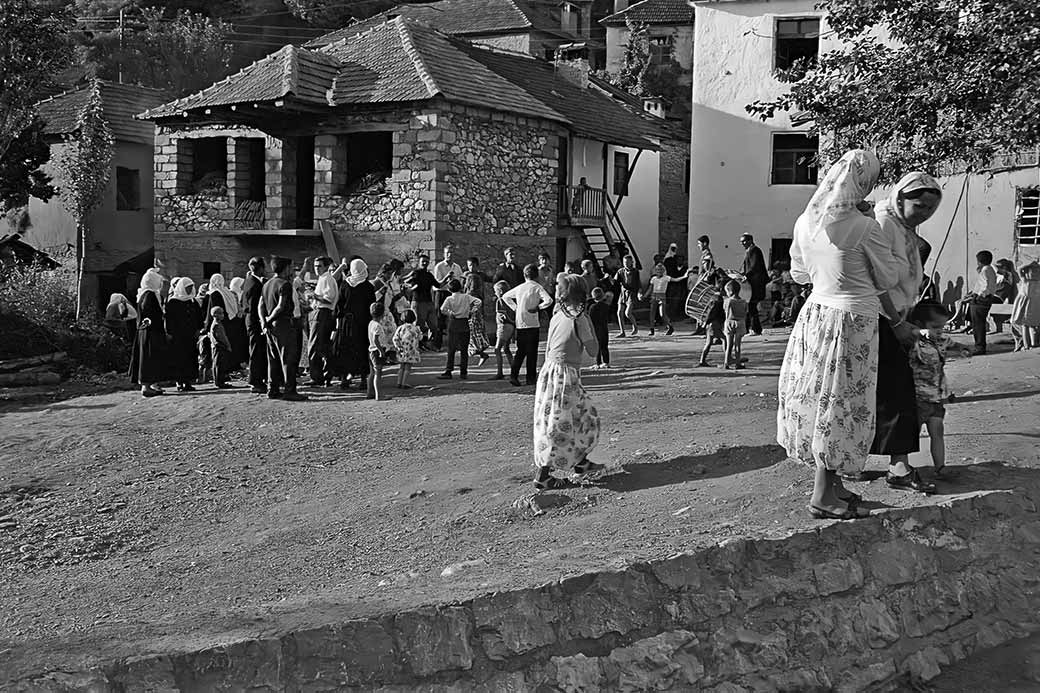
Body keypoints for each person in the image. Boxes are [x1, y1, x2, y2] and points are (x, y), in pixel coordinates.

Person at [776, 149, 903, 520]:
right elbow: (888, 278)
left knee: (818, 397)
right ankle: (821, 495)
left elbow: (799, 273)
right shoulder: (865, 227)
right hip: (852, 321)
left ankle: (833, 484)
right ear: (862, 184)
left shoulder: (805, 222)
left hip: (816, 315)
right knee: (842, 401)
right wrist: (873, 226)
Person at [869, 171, 944, 494]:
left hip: (897, 316)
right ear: (899, 197)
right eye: (920, 205)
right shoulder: (884, 224)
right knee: (896, 391)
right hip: (879, 318)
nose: (925, 212)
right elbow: (875, 278)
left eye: (931, 207)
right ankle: (898, 465)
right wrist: (896, 323)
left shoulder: (903, 227)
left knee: (887, 390)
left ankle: (881, 460)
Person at [532, 273, 602, 491]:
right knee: (565, 423)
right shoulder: (578, 318)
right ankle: (543, 476)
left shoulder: (557, 314)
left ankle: (580, 462)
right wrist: (591, 324)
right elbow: (593, 350)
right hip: (565, 375)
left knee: (574, 417)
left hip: (549, 372)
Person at [908, 301, 960, 480]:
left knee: (937, 433)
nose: (940, 330)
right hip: (917, 399)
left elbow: (950, 350)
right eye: (935, 326)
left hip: (936, 399)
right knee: (910, 435)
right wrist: (922, 332)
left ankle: (940, 467)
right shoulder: (914, 341)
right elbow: (913, 333)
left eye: (943, 326)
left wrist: (963, 349)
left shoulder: (941, 341)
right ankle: (902, 466)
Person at [260, 256, 307, 401]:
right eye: (291, 267)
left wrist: (264, 321)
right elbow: (280, 306)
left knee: (273, 359)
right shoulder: (285, 284)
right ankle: (290, 390)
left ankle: (272, 389)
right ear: (285, 268)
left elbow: (261, 305)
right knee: (289, 359)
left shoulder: (267, 284)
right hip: (285, 325)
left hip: (271, 327)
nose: (292, 270)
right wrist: (269, 319)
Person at [503, 264, 553, 386]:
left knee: (520, 351)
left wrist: (516, 308)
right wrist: (539, 307)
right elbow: (549, 300)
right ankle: (530, 378)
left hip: (520, 322)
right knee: (532, 352)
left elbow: (506, 296)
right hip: (533, 323)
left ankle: (514, 375)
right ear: (536, 275)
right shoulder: (537, 287)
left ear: (524, 275)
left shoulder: (520, 287)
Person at [334, 258, 377, 391]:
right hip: (362, 324)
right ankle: (363, 379)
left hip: (346, 323)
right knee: (362, 349)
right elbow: (372, 306)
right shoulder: (368, 286)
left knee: (346, 350)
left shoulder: (345, 284)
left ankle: (345, 379)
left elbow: (339, 305)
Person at [130, 268, 166, 397]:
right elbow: (150, 314)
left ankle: (149, 385)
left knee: (150, 358)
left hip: (147, 331)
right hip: (150, 332)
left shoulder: (144, 294)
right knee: (148, 358)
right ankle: (146, 386)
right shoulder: (149, 295)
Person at [306, 256, 339, 387]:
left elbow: (329, 299)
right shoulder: (322, 279)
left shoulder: (327, 279)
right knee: (324, 346)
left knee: (314, 346)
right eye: (315, 266)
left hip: (323, 313)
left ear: (326, 267)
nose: (317, 269)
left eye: (319, 266)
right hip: (320, 312)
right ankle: (326, 374)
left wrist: (314, 295)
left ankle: (317, 376)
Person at [438, 279, 480, 380]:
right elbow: (478, 302)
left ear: (449, 289)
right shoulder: (466, 297)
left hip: (454, 322)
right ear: (461, 287)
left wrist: (450, 313)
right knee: (464, 349)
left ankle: (449, 370)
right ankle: (463, 371)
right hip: (464, 322)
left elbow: (442, 309)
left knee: (451, 348)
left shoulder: (449, 298)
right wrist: (471, 311)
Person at [165, 277, 202, 392]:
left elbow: (198, 317)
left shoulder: (193, 301)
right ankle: (179, 382)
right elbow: (169, 319)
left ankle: (188, 382)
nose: (190, 289)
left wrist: (198, 330)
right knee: (179, 359)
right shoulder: (173, 302)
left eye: (191, 287)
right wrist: (169, 333)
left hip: (190, 336)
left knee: (190, 358)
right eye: (188, 288)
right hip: (178, 336)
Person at [240, 257, 268, 394]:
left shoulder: (250, 281)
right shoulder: (254, 284)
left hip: (251, 319)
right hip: (254, 320)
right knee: (256, 351)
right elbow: (253, 307)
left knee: (258, 350)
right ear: (261, 268)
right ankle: (255, 381)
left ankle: (258, 379)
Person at [640, 262, 688, 336]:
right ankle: (652, 329)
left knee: (662, 314)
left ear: (663, 271)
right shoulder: (653, 278)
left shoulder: (666, 278)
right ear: (655, 271)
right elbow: (650, 289)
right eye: (658, 270)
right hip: (654, 296)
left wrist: (684, 276)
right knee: (652, 313)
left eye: (661, 270)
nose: (659, 271)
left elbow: (676, 280)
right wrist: (645, 296)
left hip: (662, 296)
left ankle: (670, 326)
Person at [402, 255, 439, 349]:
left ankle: (428, 344)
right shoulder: (415, 273)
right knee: (418, 325)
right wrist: (409, 286)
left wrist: (447, 278)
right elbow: (405, 281)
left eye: (427, 261)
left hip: (429, 302)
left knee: (434, 326)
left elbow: (438, 285)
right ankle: (416, 345)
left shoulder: (429, 275)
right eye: (423, 261)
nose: (425, 263)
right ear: (419, 262)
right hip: (418, 302)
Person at [965, 250, 998, 355]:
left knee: (978, 324)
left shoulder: (985, 271)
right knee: (979, 323)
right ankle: (979, 346)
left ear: (979, 261)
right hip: (984, 298)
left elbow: (985, 287)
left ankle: (979, 347)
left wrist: (978, 297)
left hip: (981, 300)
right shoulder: (989, 269)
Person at [432, 245, 463, 349]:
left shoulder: (457, 267)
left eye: (451, 253)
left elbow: (460, 281)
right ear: (444, 254)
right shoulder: (439, 266)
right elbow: (437, 284)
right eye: (447, 253)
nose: (449, 255)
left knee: (456, 317)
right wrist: (447, 278)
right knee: (440, 319)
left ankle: (455, 343)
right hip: (442, 294)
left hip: (453, 294)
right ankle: (438, 345)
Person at [739, 233, 768, 335]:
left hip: (756, 284)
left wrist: (746, 275)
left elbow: (754, 266)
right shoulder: (749, 251)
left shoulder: (755, 250)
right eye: (742, 242)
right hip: (752, 283)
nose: (743, 243)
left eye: (745, 241)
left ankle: (755, 329)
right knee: (750, 307)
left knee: (751, 306)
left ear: (750, 240)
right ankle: (751, 329)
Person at [464, 257, 491, 365]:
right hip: (472, 307)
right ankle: (474, 355)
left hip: (474, 308)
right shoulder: (467, 275)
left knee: (473, 330)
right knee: (473, 331)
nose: (471, 267)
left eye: (473, 265)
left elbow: (471, 293)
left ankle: (478, 353)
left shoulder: (476, 277)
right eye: (469, 265)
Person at [696, 273, 727, 367]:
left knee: (708, 343)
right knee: (725, 339)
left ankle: (702, 360)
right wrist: (707, 321)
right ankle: (728, 358)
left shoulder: (713, 297)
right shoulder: (718, 299)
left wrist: (705, 322)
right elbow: (712, 312)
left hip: (710, 324)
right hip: (714, 323)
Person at [1011, 259, 1040, 350]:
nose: (1035, 273)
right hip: (1025, 305)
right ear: (1027, 273)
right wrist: (1029, 264)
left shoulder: (1038, 282)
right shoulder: (1025, 280)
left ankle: (1033, 343)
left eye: (1037, 271)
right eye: (1033, 271)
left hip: (1034, 305)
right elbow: (1019, 269)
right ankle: (1026, 344)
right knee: (1025, 325)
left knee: (1033, 325)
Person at [722, 280, 748, 369]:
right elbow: (745, 313)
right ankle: (737, 363)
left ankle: (726, 362)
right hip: (740, 322)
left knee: (729, 344)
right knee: (738, 345)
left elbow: (725, 310)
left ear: (730, 291)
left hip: (729, 322)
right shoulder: (744, 302)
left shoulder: (727, 301)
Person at [367, 302, 391, 401]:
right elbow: (376, 340)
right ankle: (379, 395)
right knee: (378, 373)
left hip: (371, 350)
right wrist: (381, 351)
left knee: (372, 373)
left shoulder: (371, 323)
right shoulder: (377, 325)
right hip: (377, 351)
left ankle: (370, 392)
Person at [392, 309, 422, 389]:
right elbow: (420, 337)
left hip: (402, 350)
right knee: (408, 367)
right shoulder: (415, 328)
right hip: (411, 350)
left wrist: (398, 347)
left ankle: (399, 382)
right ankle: (404, 383)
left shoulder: (400, 328)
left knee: (401, 366)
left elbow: (395, 338)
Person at [492, 280, 515, 380]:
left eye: (495, 291)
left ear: (500, 291)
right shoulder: (511, 299)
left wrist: (509, 321)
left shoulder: (500, 300)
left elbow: (503, 315)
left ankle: (500, 372)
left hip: (504, 326)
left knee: (497, 349)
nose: (495, 293)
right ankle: (514, 369)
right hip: (511, 327)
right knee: (506, 349)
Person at [613, 255, 641, 337]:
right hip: (623, 293)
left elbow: (638, 284)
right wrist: (609, 279)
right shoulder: (620, 271)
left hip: (632, 293)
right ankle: (622, 332)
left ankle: (635, 326)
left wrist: (639, 292)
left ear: (632, 262)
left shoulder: (635, 271)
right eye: (624, 262)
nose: (626, 264)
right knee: (619, 312)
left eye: (628, 262)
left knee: (628, 313)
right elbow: (615, 282)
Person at [208, 306, 234, 389]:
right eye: (220, 313)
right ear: (215, 315)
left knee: (218, 364)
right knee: (219, 365)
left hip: (217, 346)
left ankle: (219, 381)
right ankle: (220, 382)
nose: (223, 315)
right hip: (220, 347)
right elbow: (222, 337)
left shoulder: (216, 324)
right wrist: (228, 345)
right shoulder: (217, 325)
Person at [991, 258, 1018, 334]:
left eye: (1000, 266)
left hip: (999, 297)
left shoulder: (1008, 274)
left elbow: (998, 271)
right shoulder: (1000, 276)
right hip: (995, 296)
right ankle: (998, 329)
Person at [588, 286, 611, 369]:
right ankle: (606, 362)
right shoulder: (606, 306)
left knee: (597, 346)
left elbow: (590, 319)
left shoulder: (592, 307)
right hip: (604, 327)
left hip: (595, 328)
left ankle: (598, 362)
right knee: (604, 345)